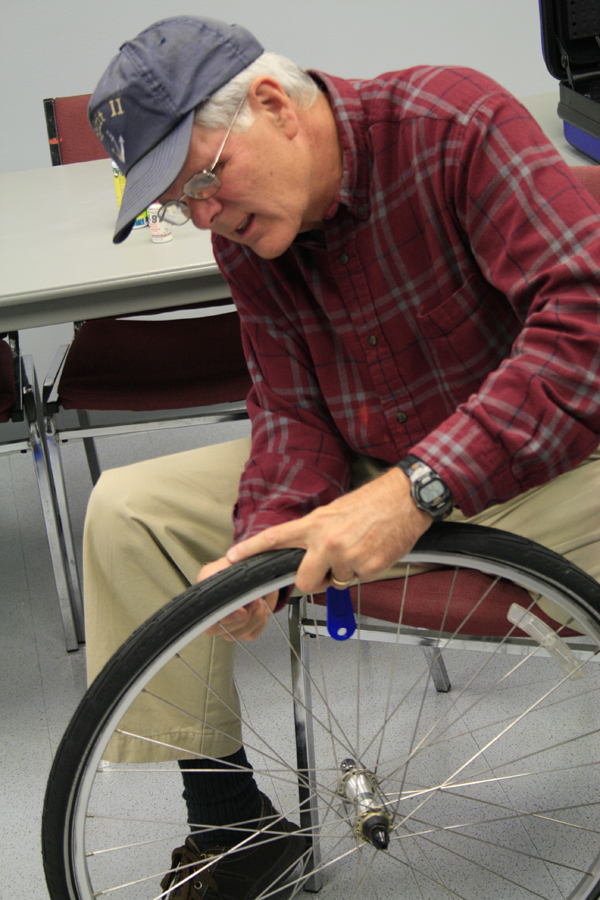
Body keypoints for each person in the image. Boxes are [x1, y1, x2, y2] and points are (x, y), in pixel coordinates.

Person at [85, 14, 600, 899]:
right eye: (180, 202)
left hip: (549, 466)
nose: (204, 215)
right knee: (132, 514)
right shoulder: (248, 231)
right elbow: (290, 406)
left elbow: (586, 327)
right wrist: (265, 540)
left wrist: (418, 490)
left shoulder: (453, 124)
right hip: (382, 472)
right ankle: (233, 829)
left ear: (276, 105)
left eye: (203, 177)